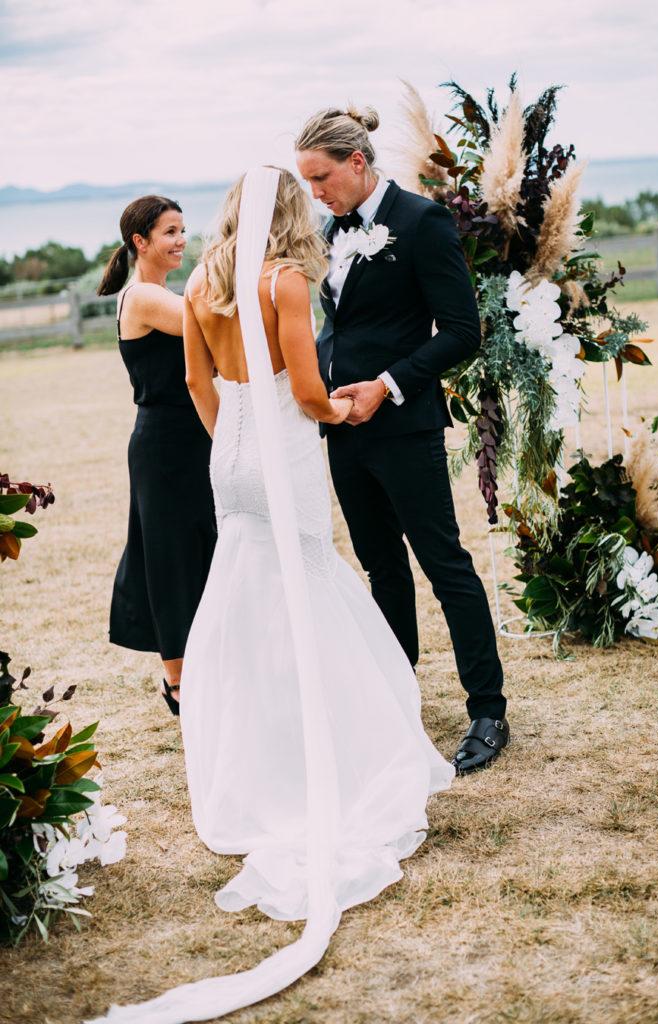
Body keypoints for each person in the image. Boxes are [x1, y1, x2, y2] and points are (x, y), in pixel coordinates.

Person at [85, 166, 454, 1023]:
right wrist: (346, 410)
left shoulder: (207, 280)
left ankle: (257, 746)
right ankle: (332, 746)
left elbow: (194, 384)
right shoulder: (283, 281)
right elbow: (308, 388)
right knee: (310, 583)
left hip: (229, 455)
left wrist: (234, 442)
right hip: (282, 446)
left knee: (246, 593)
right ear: (289, 214)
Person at [295, 106, 510, 774]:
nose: (316, 193)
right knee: (378, 566)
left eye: (322, 177)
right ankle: (394, 696)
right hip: (342, 431)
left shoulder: (421, 222)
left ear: (357, 163)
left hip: (404, 424)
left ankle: (488, 711)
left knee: (443, 564)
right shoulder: (328, 228)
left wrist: (384, 385)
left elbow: (460, 330)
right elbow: (339, 322)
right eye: (306, 183)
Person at [98, 196, 216, 715]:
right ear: (139, 242)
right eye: (170, 232)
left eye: (183, 230)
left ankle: (210, 664)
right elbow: (208, 320)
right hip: (164, 445)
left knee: (205, 549)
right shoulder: (143, 298)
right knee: (169, 559)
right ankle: (178, 681)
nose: (181, 240)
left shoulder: (165, 292)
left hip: (194, 438)